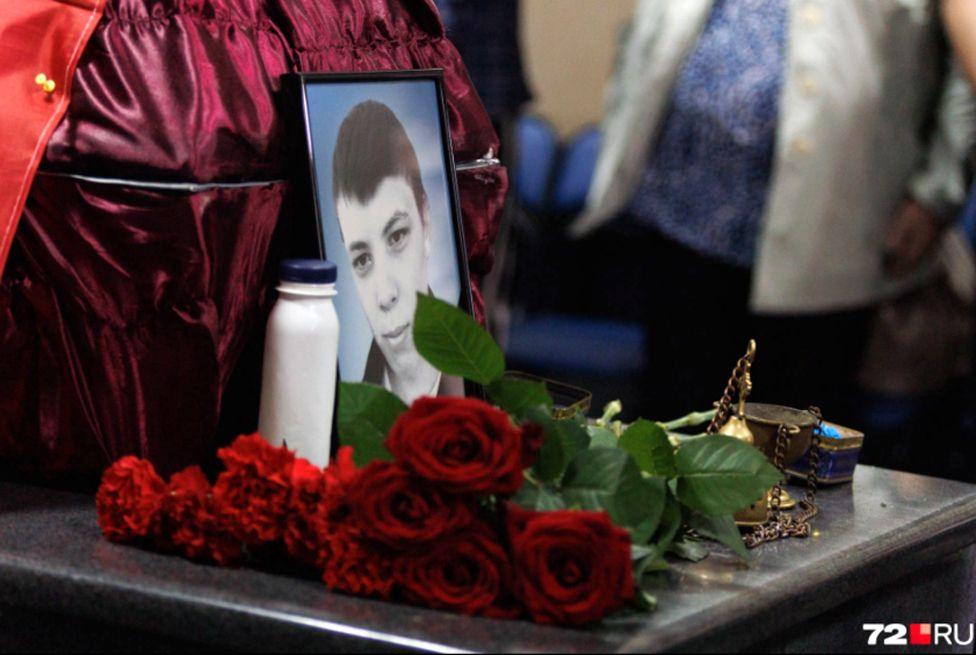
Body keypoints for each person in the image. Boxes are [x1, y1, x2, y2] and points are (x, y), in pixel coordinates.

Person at [569, 0, 973, 424]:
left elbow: (964, 71)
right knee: (676, 421)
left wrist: (936, 192)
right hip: (683, 214)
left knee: (794, 435)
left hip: (831, 233)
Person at [332, 100, 455, 404]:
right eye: (362, 260)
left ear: (425, 221)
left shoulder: (473, 379)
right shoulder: (345, 421)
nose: (385, 294)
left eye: (397, 236)